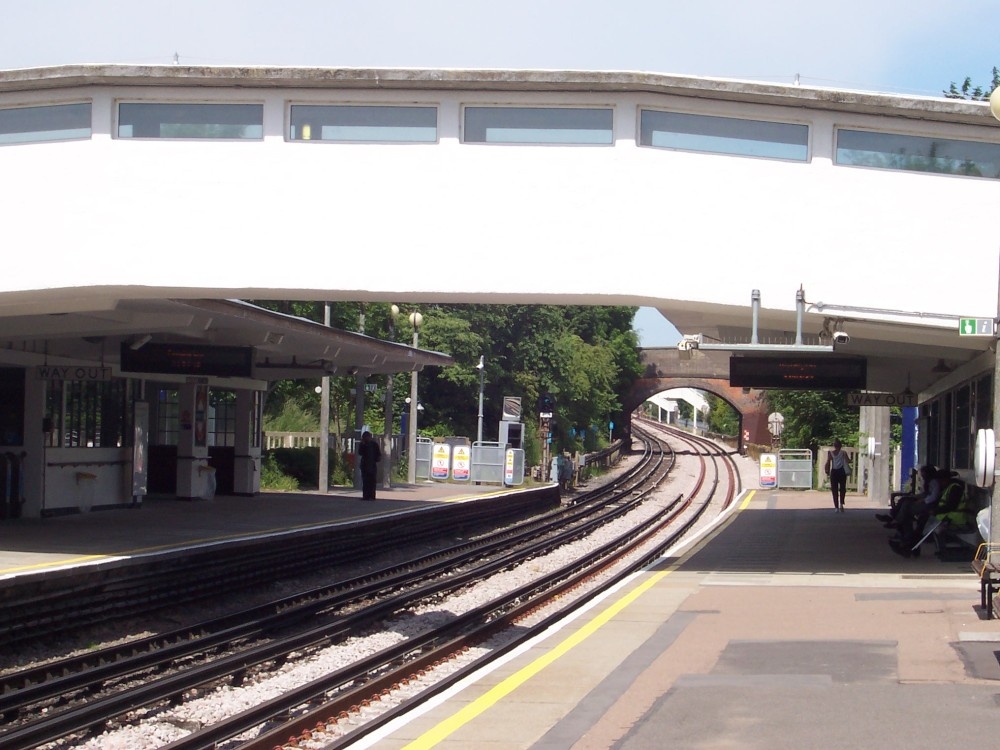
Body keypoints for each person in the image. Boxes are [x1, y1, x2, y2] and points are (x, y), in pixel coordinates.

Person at [824, 439, 851, 512]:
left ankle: (836, 507)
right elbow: (848, 461)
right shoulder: (843, 453)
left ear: (834, 446)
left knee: (834, 489)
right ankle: (841, 503)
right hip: (842, 471)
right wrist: (850, 460)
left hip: (834, 472)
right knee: (842, 488)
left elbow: (828, 462)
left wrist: (827, 470)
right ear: (841, 446)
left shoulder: (831, 453)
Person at [357, 431, 381, 501]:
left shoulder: (374, 444)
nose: (367, 438)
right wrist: (363, 444)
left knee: (372, 481)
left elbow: (378, 454)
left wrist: (378, 458)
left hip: (372, 464)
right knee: (365, 481)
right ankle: (366, 496)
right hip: (365, 465)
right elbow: (360, 452)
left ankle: (372, 496)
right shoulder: (363, 444)